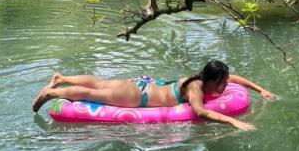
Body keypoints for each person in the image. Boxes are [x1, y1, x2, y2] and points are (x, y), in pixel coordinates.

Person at [32, 59, 277, 131]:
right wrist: (233, 121)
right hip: (137, 98)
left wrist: (260, 89)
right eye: (222, 83)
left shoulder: (201, 78)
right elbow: (201, 112)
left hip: (140, 86)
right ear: (212, 80)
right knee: (91, 94)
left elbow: (235, 79)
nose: (226, 87)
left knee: (99, 83)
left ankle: (61, 78)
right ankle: (52, 93)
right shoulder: (195, 89)